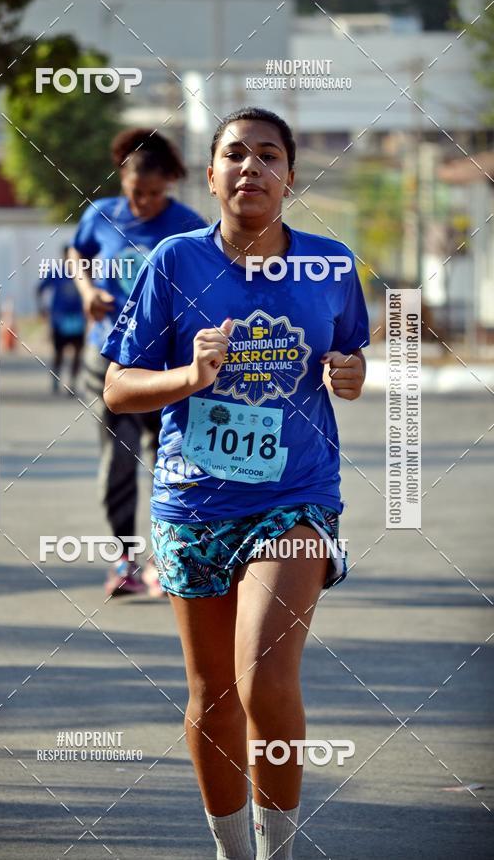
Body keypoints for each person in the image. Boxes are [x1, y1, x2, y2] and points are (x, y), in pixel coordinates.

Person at [100, 107, 370, 859]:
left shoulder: (331, 265)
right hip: (193, 499)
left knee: (263, 679)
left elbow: (349, 354)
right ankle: (232, 851)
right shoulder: (175, 264)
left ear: (290, 175)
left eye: (268, 155)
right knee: (212, 695)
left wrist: (352, 374)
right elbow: (117, 390)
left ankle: (276, 853)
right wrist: (190, 375)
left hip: (295, 496)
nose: (251, 167)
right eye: (234, 155)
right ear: (213, 175)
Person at [70, 128, 206, 597]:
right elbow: (77, 253)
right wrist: (88, 292)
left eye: (154, 193)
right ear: (121, 179)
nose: (144, 201)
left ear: (169, 183)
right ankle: (124, 561)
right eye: (135, 191)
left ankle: (166, 559)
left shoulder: (188, 225)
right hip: (109, 360)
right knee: (119, 462)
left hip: (167, 366)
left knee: (172, 460)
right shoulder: (100, 216)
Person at [37, 244, 86, 396]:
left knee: (78, 352)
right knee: (59, 353)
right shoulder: (56, 272)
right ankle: (55, 380)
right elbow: (40, 289)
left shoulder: (83, 273)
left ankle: (72, 383)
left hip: (78, 318)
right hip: (60, 319)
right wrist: (42, 308)